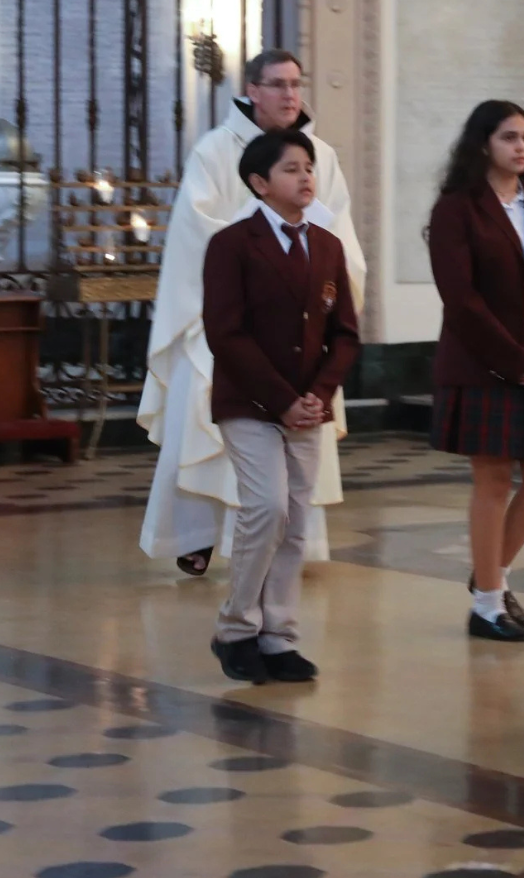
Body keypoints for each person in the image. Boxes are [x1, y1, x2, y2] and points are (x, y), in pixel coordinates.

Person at [139, 49, 366, 577]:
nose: (290, 95)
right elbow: (197, 231)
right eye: (278, 84)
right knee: (205, 417)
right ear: (253, 90)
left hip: (299, 314)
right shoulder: (215, 151)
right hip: (229, 315)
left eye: (296, 84)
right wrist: (264, 232)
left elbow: (339, 234)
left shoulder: (321, 155)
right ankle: (197, 535)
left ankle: (288, 543)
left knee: (296, 426)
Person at [203, 129, 359, 684]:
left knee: (294, 522)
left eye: (308, 167)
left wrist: (320, 393)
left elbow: (345, 333)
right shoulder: (233, 245)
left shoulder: (327, 246)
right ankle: (235, 629)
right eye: (291, 169)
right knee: (266, 509)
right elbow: (226, 332)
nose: (306, 177)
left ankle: (279, 637)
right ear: (259, 182)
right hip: (249, 402)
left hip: (308, 407)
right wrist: (283, 400)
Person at [427, 101, 524, 643]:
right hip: (483, 362)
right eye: (509, 137)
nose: (521, 147)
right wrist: (512, 361)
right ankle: (487, 603)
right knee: (492, 479)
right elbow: (460, 298)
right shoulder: (457, 208)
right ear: (483, 143)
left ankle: (491, 571)